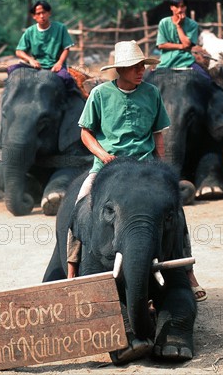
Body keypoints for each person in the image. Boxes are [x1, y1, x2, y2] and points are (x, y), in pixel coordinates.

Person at [66, 40, 169, 280]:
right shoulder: (100, 94)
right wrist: (103, 155)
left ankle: (187, 269)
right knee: (80, 205)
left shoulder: (152, 93)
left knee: (174, 208)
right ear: (120, 69)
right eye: (135, 67)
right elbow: (85, 132)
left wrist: (162, 169)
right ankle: (72, 266)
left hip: (144, 167)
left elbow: (158, 135)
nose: (140, 70)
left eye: (142, 66)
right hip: (106, 169)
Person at [9, 0, 75, 89]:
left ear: (49, 13)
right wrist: (30, 60)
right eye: (38, 13)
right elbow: (19, 51)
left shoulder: (60, 28)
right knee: (12, 69)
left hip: (55, 66)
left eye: (44, 12)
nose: (42, 16)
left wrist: (59, 63)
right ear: (34, 16)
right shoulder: (30, 31)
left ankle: (73, 100)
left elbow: (66, 48)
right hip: (36, 66)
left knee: (67, 79)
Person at [155, 0, 209, 80]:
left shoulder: (193, 25)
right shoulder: (164, 23)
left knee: (206, 79)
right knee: (148, 82)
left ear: (186, 7)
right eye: (176, 6)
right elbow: (161, 45)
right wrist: (181, 46)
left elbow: (187, 45)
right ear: (171, 7)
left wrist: (178, 26)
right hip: (166, 61)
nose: (180, 10)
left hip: (186, 60)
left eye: (182, 6)